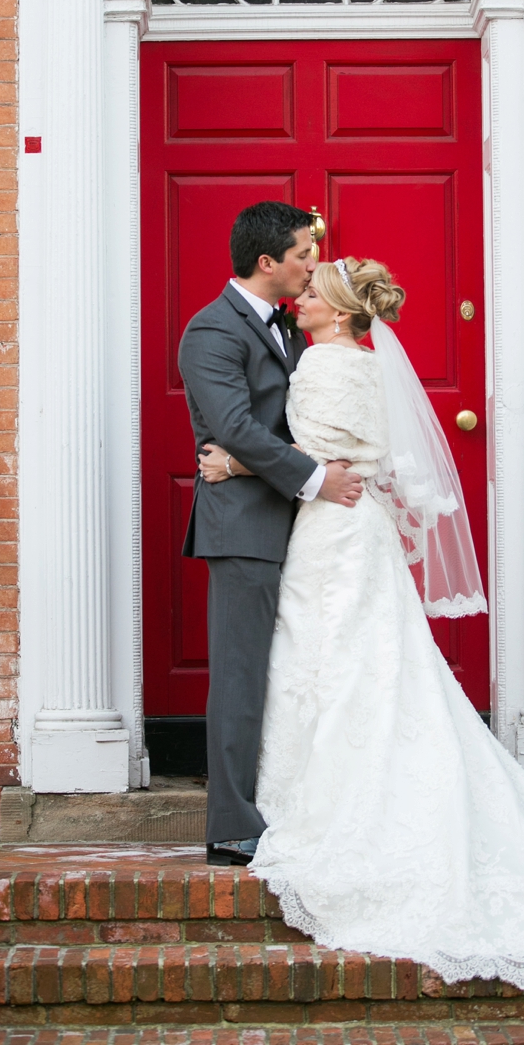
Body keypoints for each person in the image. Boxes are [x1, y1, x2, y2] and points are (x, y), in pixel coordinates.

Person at [197, 255, 524, 987]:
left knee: (331, 661)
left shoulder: (319, 367)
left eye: (313, 292)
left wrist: (237, 466)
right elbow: (353, 460)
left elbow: (317, 457)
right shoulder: (368, 363)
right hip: (356, 529)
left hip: (330, 532)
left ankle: (328, 801)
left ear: (340, 312)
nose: (300, 297)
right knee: (368, 666)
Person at [177, 203, 364, 867]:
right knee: (239, 674)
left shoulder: (287, 330)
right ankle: (230, 823)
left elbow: (283, 426)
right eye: (303, 255)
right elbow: (236, 426)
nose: (313, 265)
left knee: (294, 671)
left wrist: (255, 461)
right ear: (268, 262)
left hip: (300, 528)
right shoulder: (211, 332)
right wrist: (315, 478)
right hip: (244, 528)